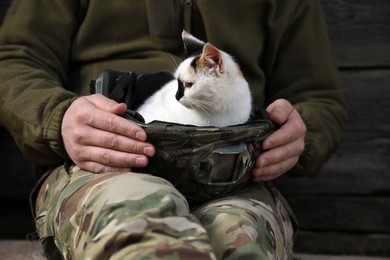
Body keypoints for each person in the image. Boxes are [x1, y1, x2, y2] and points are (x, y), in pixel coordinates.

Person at [0, 0, 346, 259]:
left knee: (240, 241)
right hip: (107, 164)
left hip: (236, 175)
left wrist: (301, 133)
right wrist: (58, 117)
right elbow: (13, 59)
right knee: (144, 234)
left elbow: (318, 95)